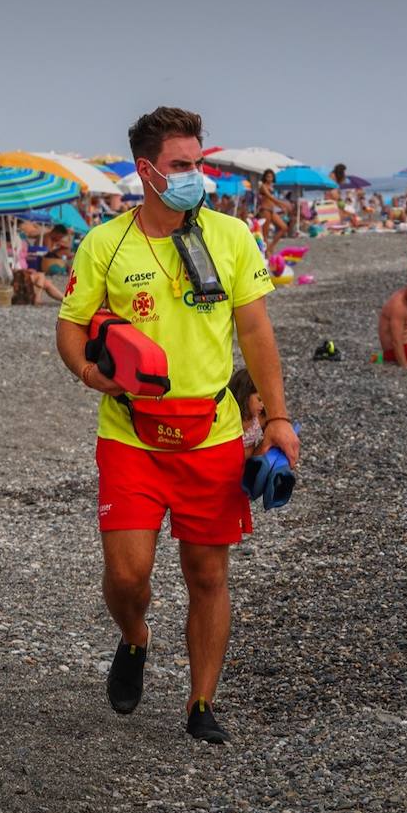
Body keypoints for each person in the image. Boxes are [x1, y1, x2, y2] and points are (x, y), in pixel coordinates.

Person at [55, 106, 297, 744]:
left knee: (207, 573)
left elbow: (257, 332)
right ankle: (134, 638)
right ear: (146, 171)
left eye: (199, 163)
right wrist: (86, 371)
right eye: (181, 165)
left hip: (212, 434)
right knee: (129, 575)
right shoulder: (104, 243)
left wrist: (277, 419)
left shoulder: (231, 237)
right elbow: (71, 323)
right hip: (131, 434)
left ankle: (200, 704)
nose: (196, 176)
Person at [227, 367, 264, 459]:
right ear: (244, 395)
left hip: (246, 464)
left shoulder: (259, 417)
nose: (263, 405)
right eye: (259, 399)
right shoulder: (230, 418)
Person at [257, 168, 292, 255]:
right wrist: (283, 204)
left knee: (284, 227)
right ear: (265, 177)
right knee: (265, 234)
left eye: (271, 177)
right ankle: (266, 252)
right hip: (265, 210)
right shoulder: (263, 186)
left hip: (272, 210)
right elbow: (270, 197)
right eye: (268, 176)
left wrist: (281, 206)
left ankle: (270, 247)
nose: (270, 178)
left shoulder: (271, 187)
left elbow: (272, 201)